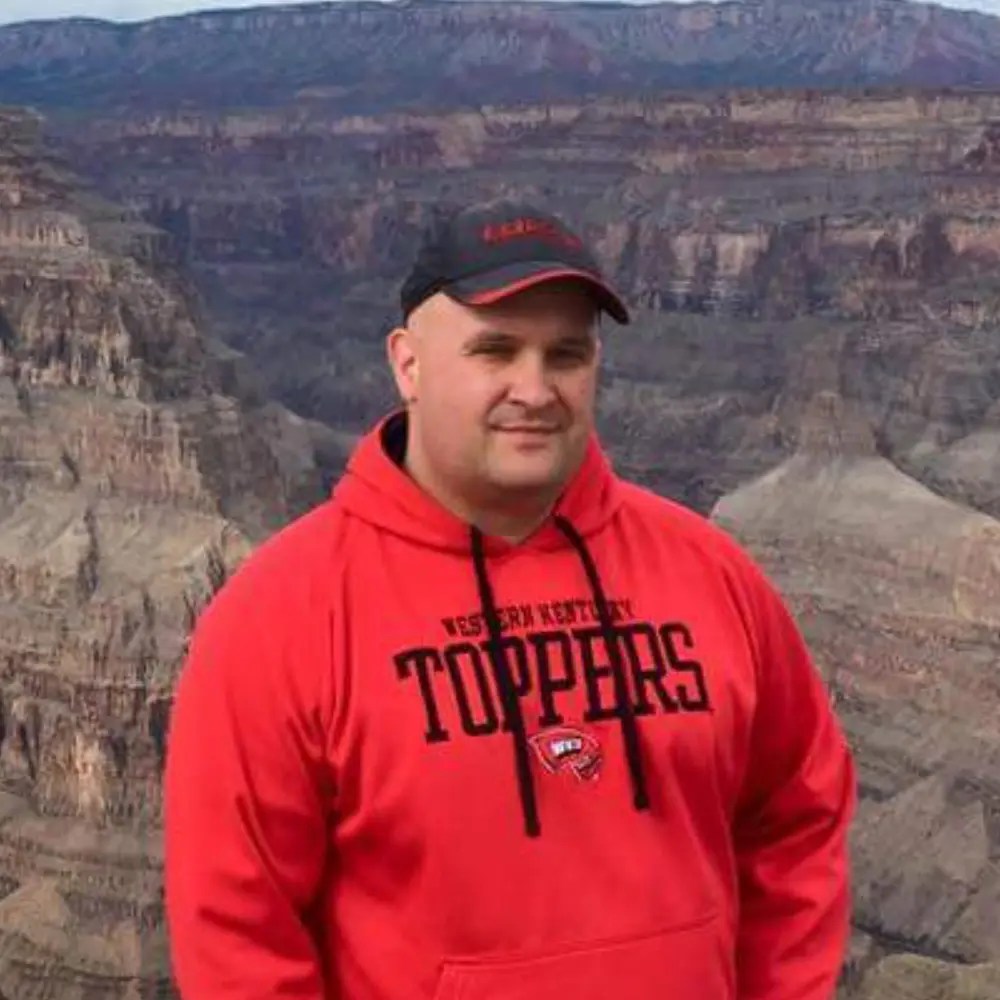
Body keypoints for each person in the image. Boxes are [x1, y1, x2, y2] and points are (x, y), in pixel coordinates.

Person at [163, 198, 856, 1000]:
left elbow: (799, 818)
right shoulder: (278, 618)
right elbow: (238, 935)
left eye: (565, 354)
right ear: (408, 363)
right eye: (496, 350)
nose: (535, 389)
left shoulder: (712, 576)